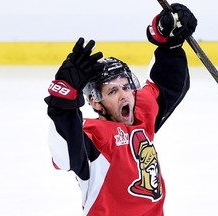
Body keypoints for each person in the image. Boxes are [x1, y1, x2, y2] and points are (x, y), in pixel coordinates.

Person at [44, 3, 197, 216]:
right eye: (113, 91)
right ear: (96, 102)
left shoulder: (140, 114)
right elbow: (67, 151)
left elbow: (167, 85)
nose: (124, 94)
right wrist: (63, 101)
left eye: (126, 86)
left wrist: (169, 41)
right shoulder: (95, 139)